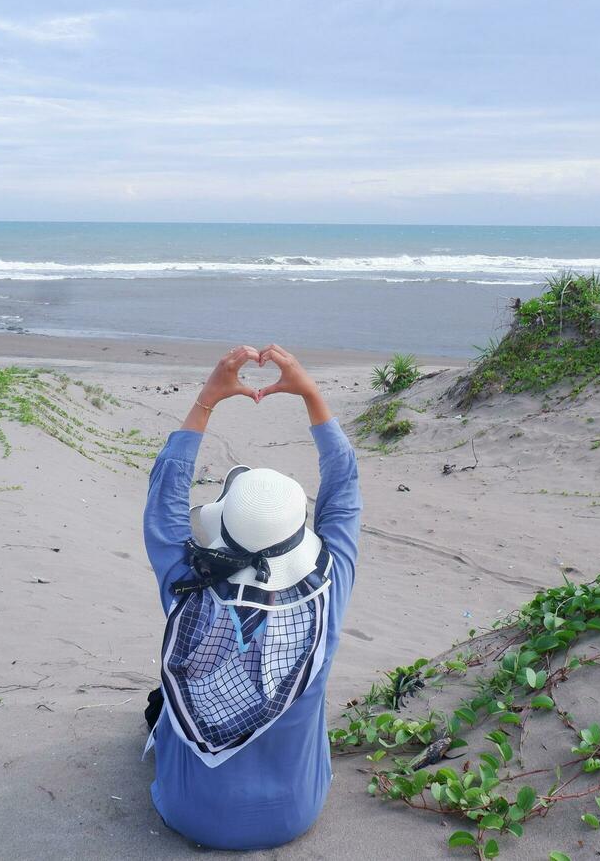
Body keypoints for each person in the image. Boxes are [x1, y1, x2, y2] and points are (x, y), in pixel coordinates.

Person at [141, 343, 362, 850]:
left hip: (186, 815)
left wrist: (207, 400)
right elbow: (344, 487)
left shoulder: (184, 588)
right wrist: (310, 394)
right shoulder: (329, 589)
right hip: (296, 815)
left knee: (165, 704)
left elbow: (165, 498)